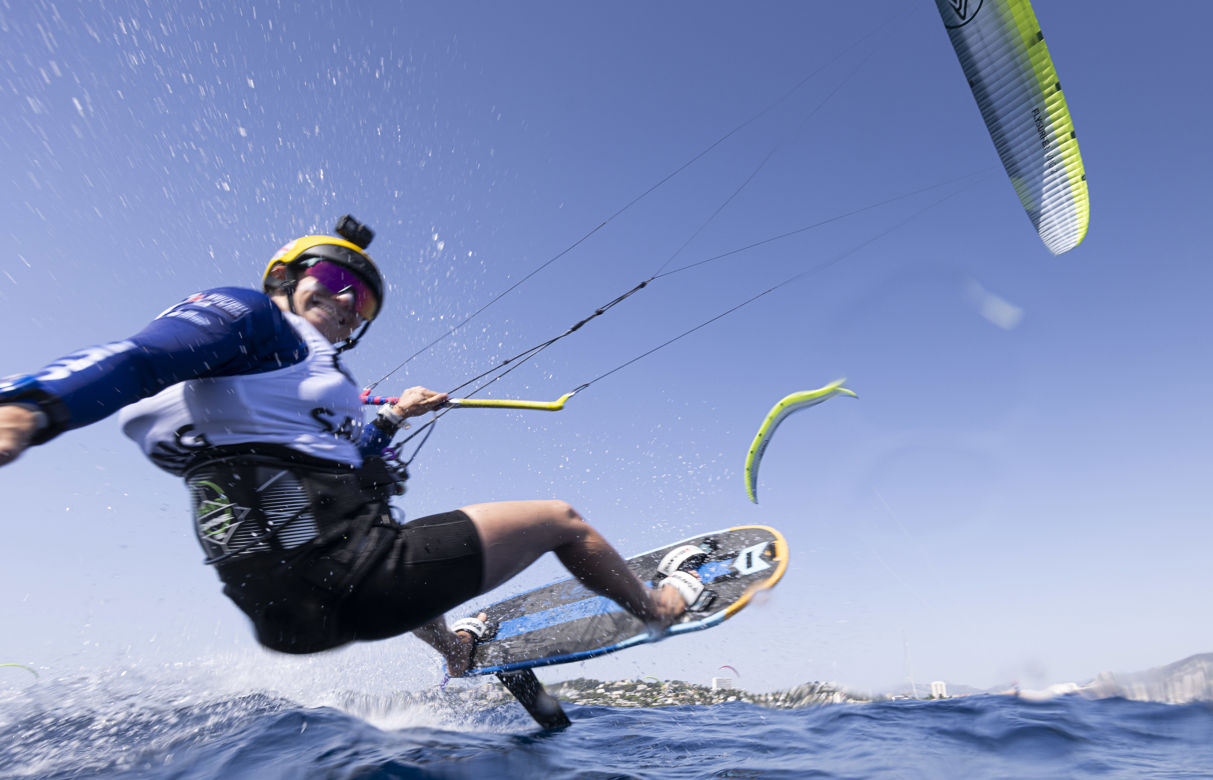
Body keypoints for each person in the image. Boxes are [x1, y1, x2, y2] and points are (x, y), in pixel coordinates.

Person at [0, 216, 698, 676]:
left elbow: (350, 453)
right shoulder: (255, 321)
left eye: (360, 305)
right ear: (285, 279)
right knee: (560, 519)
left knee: (378, 520)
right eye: (334, 284)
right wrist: (29, 409)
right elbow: (139, 358)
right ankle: (659, 610)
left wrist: (395, 417)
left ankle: (454, 648)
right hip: (357, 584)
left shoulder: (287, 390)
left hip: (285, 622)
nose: (345, 304)